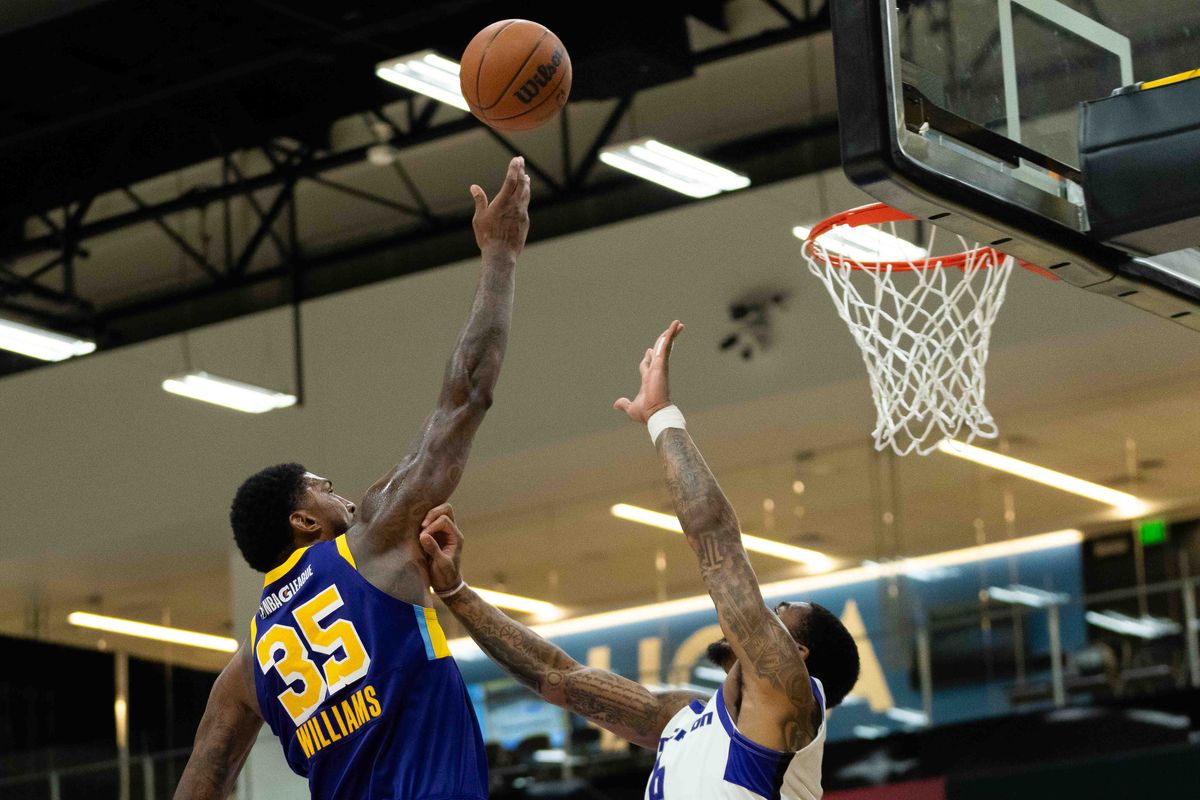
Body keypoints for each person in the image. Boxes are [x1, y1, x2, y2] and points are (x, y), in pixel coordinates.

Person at [173, 156, 531, 800]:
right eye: (324, 488)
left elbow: (202, 781)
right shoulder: (369, 542)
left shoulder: (248, 667)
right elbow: (467, 396)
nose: (342, 495)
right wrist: (500, 256)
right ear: (304, 522)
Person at [419, 320, 861, 800]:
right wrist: (454, 593)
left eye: (779, 616)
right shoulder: (682, 719)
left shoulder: (791, 702)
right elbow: (559, 677)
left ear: (796, 658)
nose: (760, 612)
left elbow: (718, 545)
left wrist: (662, 417)